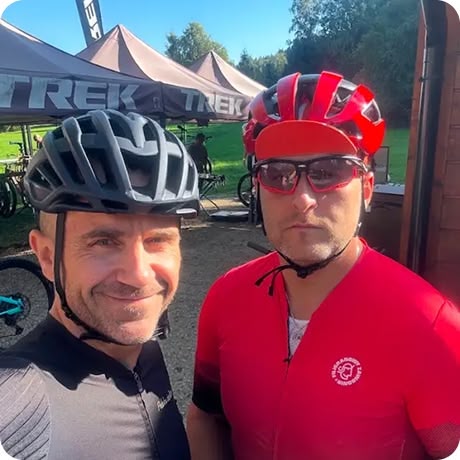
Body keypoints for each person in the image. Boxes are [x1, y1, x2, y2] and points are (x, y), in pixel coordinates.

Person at [186, 72, 460, 459]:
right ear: (258, 187)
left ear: (366, 190)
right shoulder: (226, 297)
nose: (302, 199)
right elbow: (204, 418)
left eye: (328, 171)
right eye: (278, 174)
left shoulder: (431, 325)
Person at [0, 109, 199, 459]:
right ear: (46, 256)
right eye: (103, 242)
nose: (139, 275)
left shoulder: (144, 349)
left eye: (158, 240)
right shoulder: (20, 396)